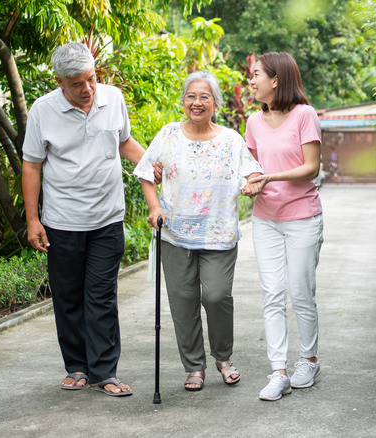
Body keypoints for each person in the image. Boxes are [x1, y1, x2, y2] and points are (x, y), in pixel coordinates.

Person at [22, 42, 145, 397]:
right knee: (69, 296)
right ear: (58, 81)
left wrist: (155, 165)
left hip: (107, 217)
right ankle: (76, 366)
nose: (87, 88)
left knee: (102, 295)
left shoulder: (113, 99)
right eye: (77, 83)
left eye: (91, 79)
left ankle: (104, 371)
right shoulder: (43, 110)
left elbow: (124, 142)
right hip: (62, 221)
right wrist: (33, 219)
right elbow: (32, 164)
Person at [134, 71, 263, 391]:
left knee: (218, 295)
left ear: (215, 103)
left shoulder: (231, 140)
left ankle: (223, 357)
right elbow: (146, 172)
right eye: (191, 96)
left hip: (218, 234)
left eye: (204, 96)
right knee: (182, 300)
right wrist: (154, 207)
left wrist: (250, 184)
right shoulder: (168, 135)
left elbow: (254, 173)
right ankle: (194, 367)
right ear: (183, 101)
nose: (197, 102)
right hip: (175, 234)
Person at [241, 52, 324, 401]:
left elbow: (311, 167)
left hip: (303, 216)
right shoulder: (253, 121)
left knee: (300, 292)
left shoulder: (305, 115)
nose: (251, 80)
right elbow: (248, 163)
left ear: (276, 79)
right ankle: (278, 371)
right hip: (265, 219)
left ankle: (309, 359)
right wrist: (249, 181)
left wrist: (270, 176)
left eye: (256, 74)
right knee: (272, 294)